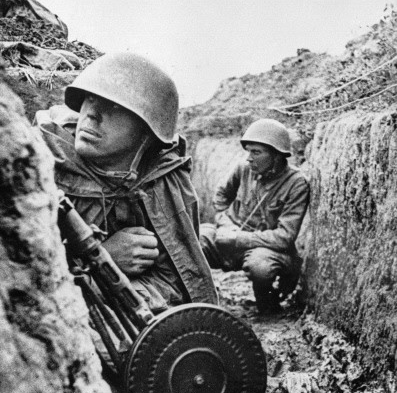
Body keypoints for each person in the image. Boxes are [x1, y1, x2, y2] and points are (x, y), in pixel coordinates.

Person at [35, 51, 217, 312]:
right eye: (90, 98)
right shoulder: (35, 162)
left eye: (115, 107)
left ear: (147, 132)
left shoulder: (165, 180)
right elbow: (19, 279)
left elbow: (180, 284)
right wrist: (104, 261)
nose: (92, 113)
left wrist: (129, 298)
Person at [200, 118, 310, 314]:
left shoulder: (296, 183)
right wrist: (225, 225)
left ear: (276, 155)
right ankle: (199, 302)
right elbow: (220, 198)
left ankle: (268, 304)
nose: (249, 158)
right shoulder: (244, 168)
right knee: (195, 240)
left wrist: (240, 238)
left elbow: (285, 237)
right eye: (248, 151)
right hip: (231, 237)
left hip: (266, 248)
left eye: (256, 152)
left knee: (260, 266)